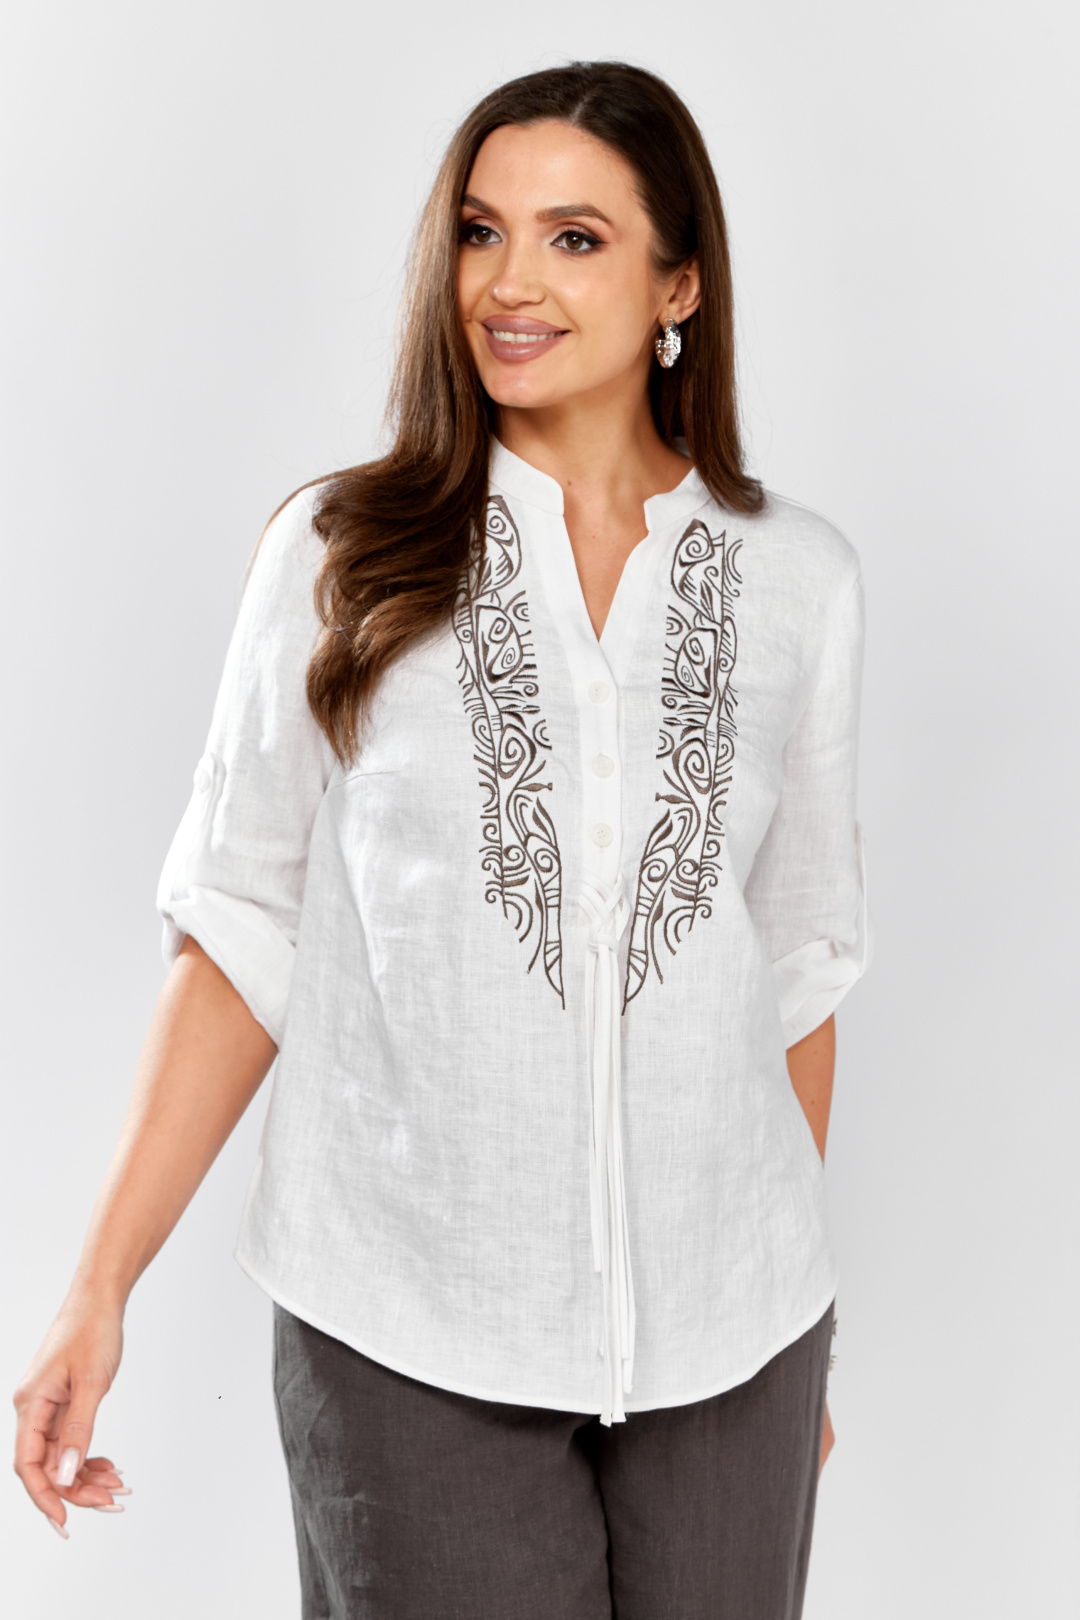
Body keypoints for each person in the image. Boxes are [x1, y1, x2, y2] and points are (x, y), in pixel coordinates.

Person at [14, 61, 869, 1620]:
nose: (509, 282)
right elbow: (240, 932)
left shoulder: (798, 580)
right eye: (481, 231)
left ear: (679, 284)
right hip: (410, 1329)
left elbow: (799, 967)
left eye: (574, 238)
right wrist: (98, 1289)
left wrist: (787, 1322)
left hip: (733, 1350)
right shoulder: (345, 553)